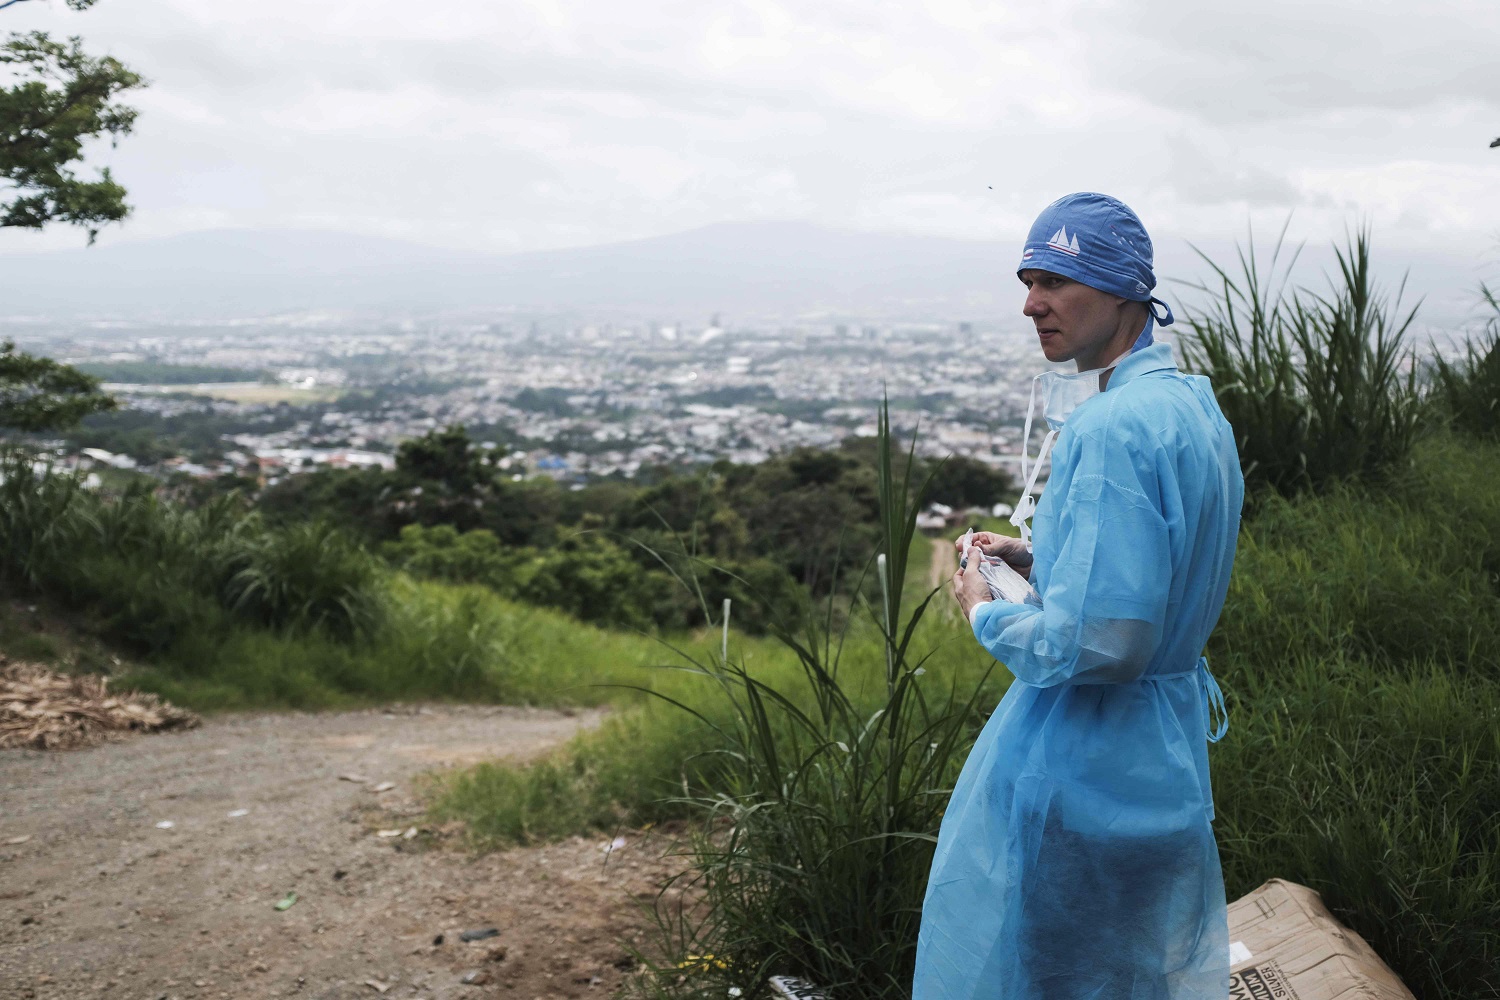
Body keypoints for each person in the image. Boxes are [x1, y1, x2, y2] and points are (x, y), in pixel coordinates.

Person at [912, 192, 1244, 1000]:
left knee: (1055, 978)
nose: (1032, 304)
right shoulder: (1190, 409)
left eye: (1056, 280)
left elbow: (1102, 645)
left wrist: (985, 608)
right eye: (1028, 281)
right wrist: (1034, 554)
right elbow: (1159, 569)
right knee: (1135, 976)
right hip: (1161, 755)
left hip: (1089, 767)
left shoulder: (1106, 428)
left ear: (1122, 287)